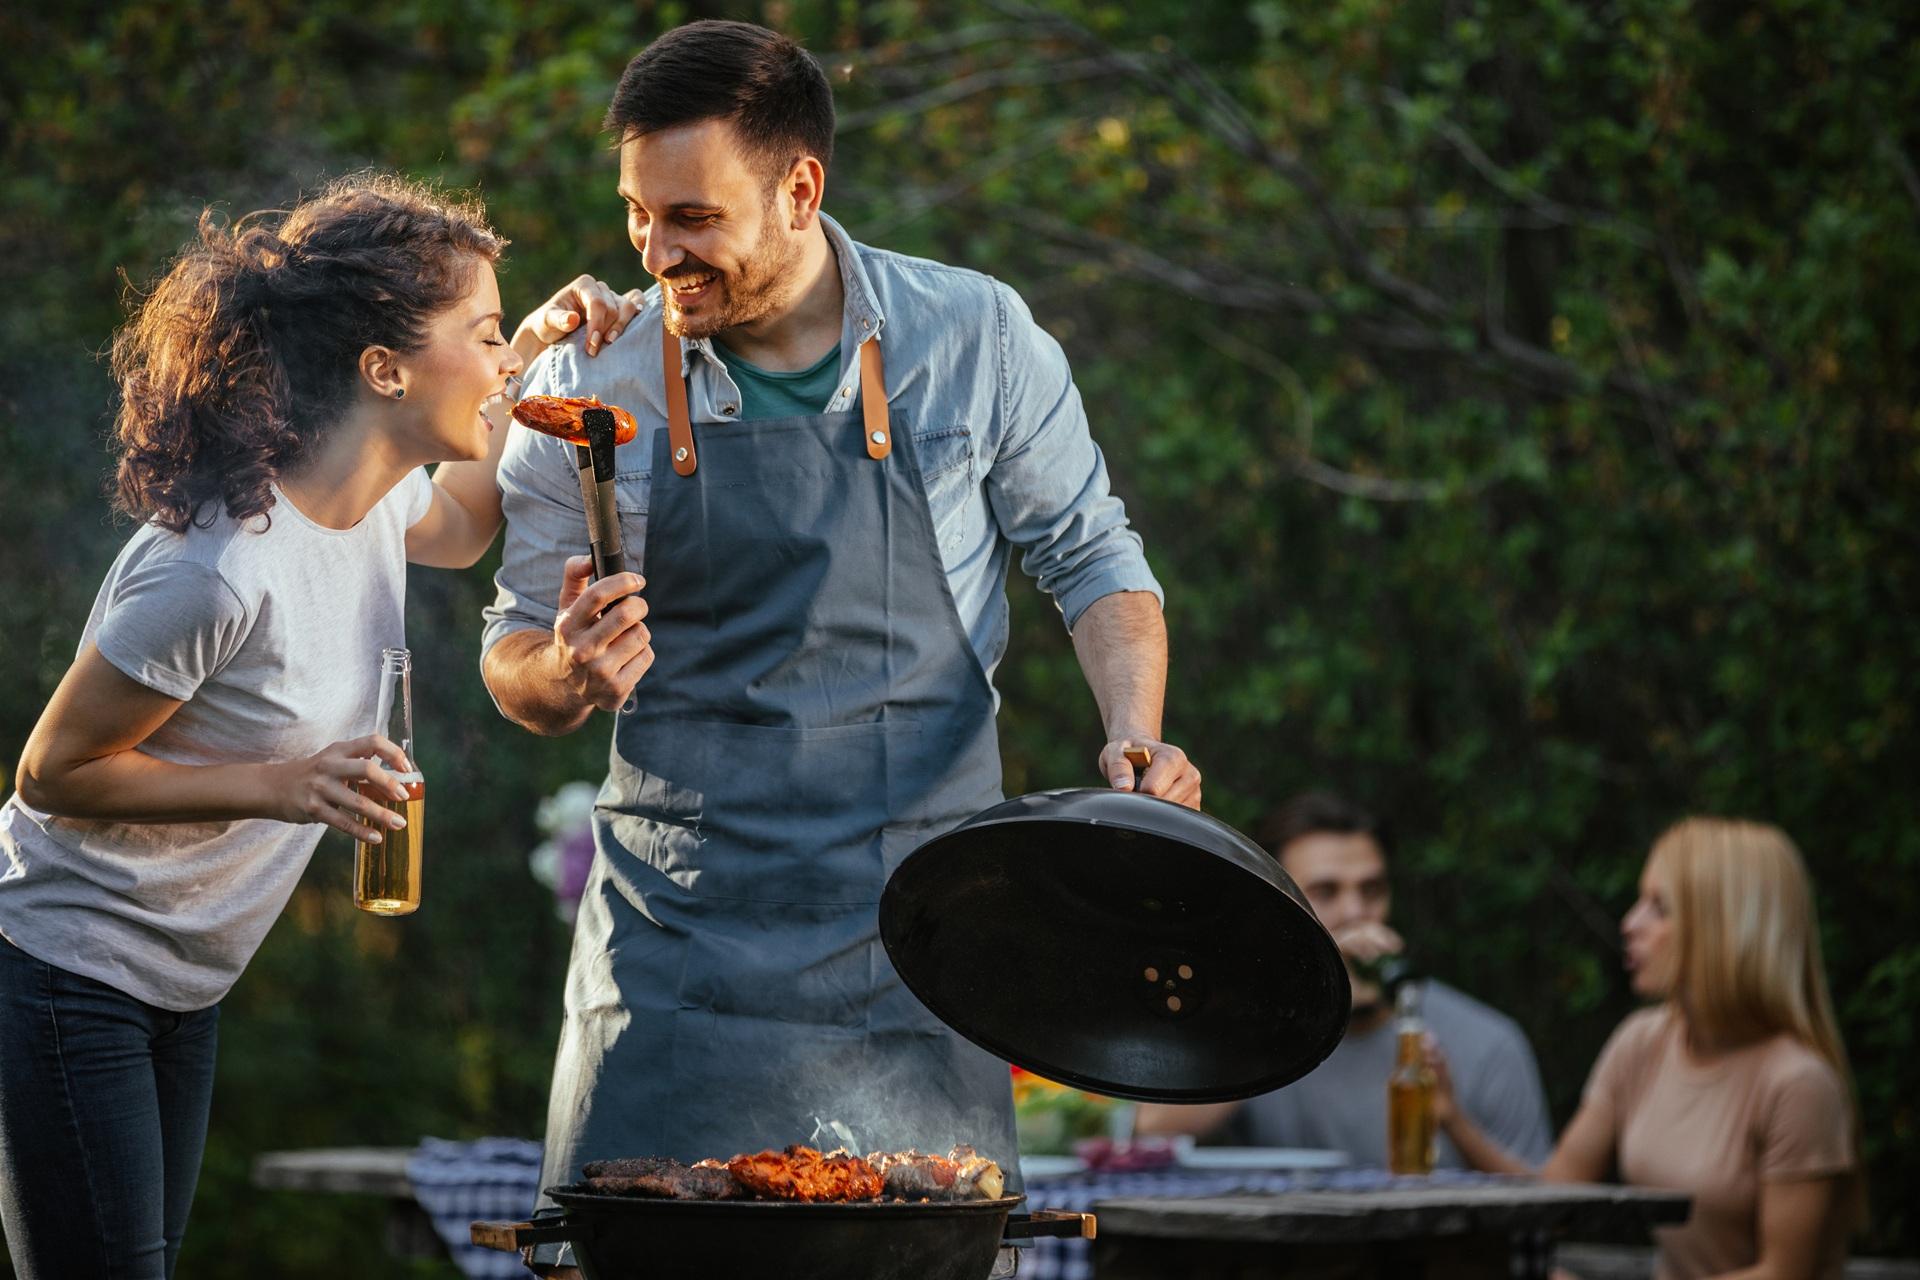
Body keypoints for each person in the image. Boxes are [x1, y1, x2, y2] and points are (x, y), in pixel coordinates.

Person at [477, 17, 1201, 1248]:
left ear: (800, 188)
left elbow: (1092, 554)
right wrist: (563, 668)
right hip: (678, 953)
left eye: (693, 217)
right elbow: (511, 655)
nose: (657, 254)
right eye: (638, 215)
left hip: (921, 943)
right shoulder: (593, 387)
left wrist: (1137, 732)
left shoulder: (971, 337)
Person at [0, 173, 630, 1279]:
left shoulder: (378, 498)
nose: (496, 364)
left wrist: (532, 347)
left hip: (183, 978)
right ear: (383, 369)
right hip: (63, 967)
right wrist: (284, 780)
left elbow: (469, 523)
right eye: (479, 335)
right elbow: (53, 771)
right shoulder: (219, 564)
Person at [1431, 818, 1860, 1280]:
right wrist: (1453, 1117)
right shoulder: (1641, 1043)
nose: (1630, 923)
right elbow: (1552, 1196)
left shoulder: (1797, 1083)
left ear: (1725, 927)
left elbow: (1783, 1274)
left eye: (1660, 907)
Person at [1135, 791, 1552, 1168]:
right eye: (1326, 892)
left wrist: (1455, 1121)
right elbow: (1147, 1129)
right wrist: (1294, 1006)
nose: (1355, 913)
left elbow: (1544, 1211)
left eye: (1371, 890)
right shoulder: (1253, 1028)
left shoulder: (1487, 1043)